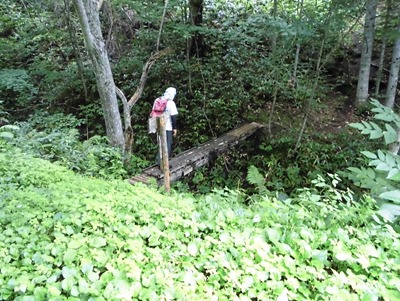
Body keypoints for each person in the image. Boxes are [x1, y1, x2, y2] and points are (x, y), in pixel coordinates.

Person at [153, 87, 178, 161]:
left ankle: (159, 162)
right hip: (167, 127)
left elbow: (153, 112)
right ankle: (165, 163)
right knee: (168, 145)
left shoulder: (157, 100)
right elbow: (173, 117)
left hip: (158, 126)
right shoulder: (171, 103)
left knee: (160, 145)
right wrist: (175, 128)